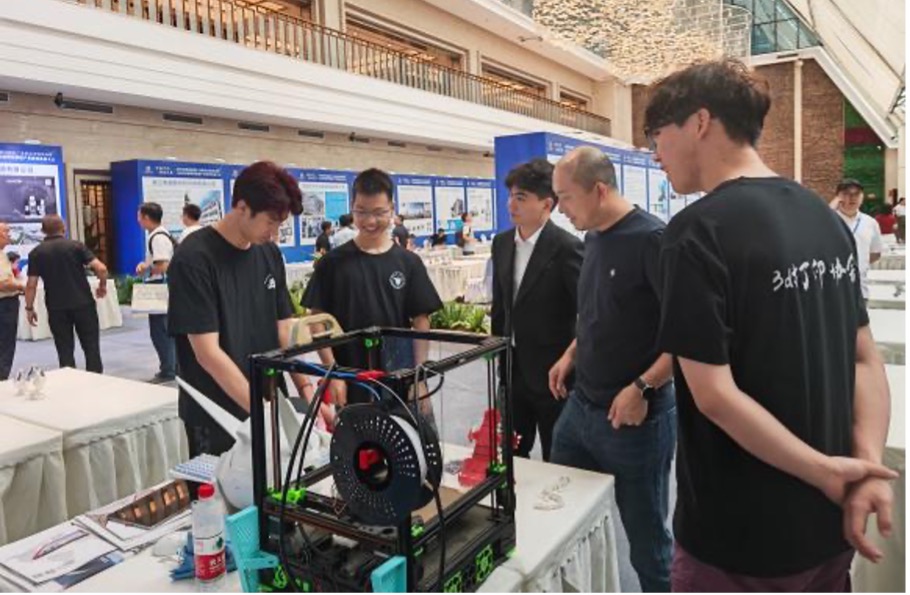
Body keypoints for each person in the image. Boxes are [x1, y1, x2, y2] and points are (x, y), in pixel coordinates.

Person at [644, 59, 897, 591]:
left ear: (700, 122)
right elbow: (864, 358)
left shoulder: (695, 233)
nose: (655, 153)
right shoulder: (824, 219)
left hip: (738, 540)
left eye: (657, 134)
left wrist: (829, 472)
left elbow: (714, 396)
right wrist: (865, 465)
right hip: (829, 528)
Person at [548, 147, 676, 592]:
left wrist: (643, 387)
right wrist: (571, 354)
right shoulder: (594, 237)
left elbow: (688, 336)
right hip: (582, 408)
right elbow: (598, 313)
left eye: (566, 197)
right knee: (561, 515)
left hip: (636, 419)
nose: (560, 210)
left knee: (647, 543)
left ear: (599, 190)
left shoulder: (654, 240)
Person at [167, 161, 318, 457]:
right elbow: (207, 353)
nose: (274, 233)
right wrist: (263, 412)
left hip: (270, 402)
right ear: (242, 207)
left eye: (280, 225)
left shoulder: (268, 253)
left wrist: (306, 391)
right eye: (270, 222)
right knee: (224, 486)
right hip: (216, 413)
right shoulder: (194, 258)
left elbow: (284, 330)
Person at [302, 168, 443, 407]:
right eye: (361, 212)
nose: (370, 221)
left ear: (392, 208)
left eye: (379, 212)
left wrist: (418, 378)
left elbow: (421, 320)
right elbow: (317, 319)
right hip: (350, 378)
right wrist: (332, 372)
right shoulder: (332, 263)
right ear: (352, 207)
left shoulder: (408, 262)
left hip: (398, 377)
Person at [492, 158, 583, 461]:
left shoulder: (567, 247)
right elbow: (500, 305)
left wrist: (572, 359)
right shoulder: (502, 244)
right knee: (511, 454)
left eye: (521, 197)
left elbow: (587, 310)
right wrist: (496, 351)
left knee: (556, 455)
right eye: (510, 196)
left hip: (554, 372)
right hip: (512, 369)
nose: (511, 204)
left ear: (547, 204)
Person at [24, 215, 107, 373]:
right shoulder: (76, 246)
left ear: (43, 231)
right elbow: (101, 268)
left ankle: (69, 381)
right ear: (63, 228)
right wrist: (102, 286)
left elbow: (31, 284)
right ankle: (96, 379)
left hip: (56, 307)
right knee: (91, 347)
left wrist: (29, 308)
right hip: (83, 304)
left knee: (64, 350)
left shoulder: (36, 253)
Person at [135, 202, 177, 383]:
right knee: (163, 331)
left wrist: (147, 268)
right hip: (164, 287)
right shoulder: (159, 235)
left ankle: (168, 370)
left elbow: (163, 265)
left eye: (139, 216)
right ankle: (171, 367)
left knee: (161, 332)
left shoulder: (158, 237)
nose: (138, 220)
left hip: (160, 288)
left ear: (146, 217)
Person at [832, 179, 883, 300]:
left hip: (860, 289)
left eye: (857, 194)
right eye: (846, 193)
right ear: (838, 197)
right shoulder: (829, 220)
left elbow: (875, 253)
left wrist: (858, 263)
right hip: (833, 288)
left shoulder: (870, 222)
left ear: (862, 197)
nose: (852, 198)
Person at [0, 223, 25, 380]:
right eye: (6, 231)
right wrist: (22, 286)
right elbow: (3, 284)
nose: (9, 234)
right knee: (5, 345)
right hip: (4, 305)